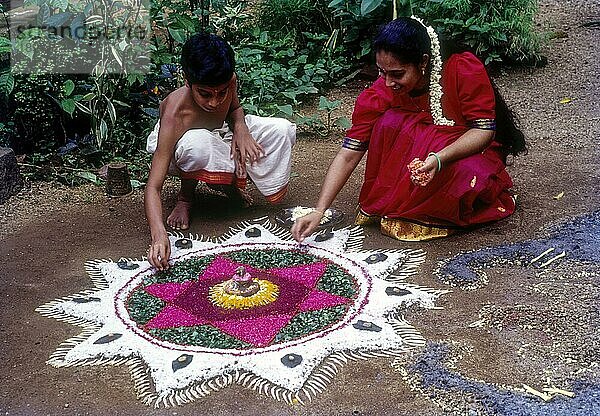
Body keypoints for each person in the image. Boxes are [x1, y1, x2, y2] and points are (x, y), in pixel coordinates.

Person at [292, 17, 526, 243]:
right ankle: (407, 198)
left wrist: (438, 158)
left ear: (423, 62)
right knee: (389, 122)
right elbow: (349, 154)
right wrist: (320, 209)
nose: (387, 83)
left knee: (461, 172)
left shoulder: (461, 68)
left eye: (397, 74)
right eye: (382, 72)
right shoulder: (382, 91)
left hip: (463, 154)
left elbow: (483, 132)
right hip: (423, 162)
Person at [145, 33, 296, 270]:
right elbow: (153, 186)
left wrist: (240, 128)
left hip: (222, 131)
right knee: (197, 144)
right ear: (187, 81)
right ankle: (186, 197)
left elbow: (234, 108)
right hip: (182, 148)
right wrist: (159, 236)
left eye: (221, 93)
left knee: (281, 129)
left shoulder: (228, 79)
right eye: (205, 94)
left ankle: (227, 185)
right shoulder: (175, 114)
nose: (215, 102)